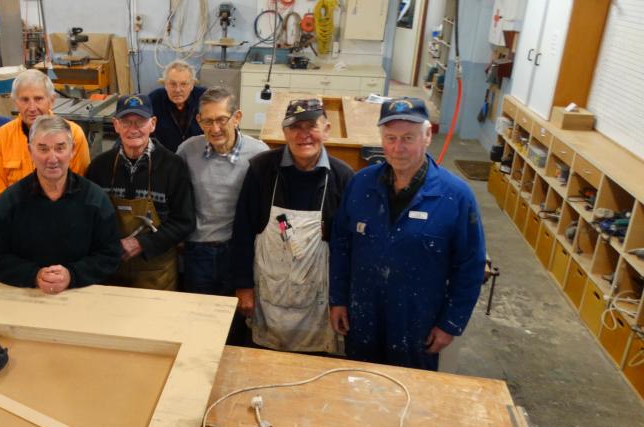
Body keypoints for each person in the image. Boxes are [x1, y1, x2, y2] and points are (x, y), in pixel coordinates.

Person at [329, 97, 486, 371]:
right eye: (390, 138)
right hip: (363, 315)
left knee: (410, 396)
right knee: (358, 386)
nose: (397, 148)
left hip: (417, 324)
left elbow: (470, 267)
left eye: (408, 138)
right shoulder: (361, 184)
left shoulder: (456, 197)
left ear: (427, 136)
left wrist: (450, 323)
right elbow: (341, 246)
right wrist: (338, 299)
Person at [230, 98, 354, 352]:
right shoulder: (261, 169)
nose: (303, 135)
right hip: (268, 298)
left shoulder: (343, 177)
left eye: (311, 126)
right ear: (284, 132)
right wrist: (243, 286)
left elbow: (347, 248)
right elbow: (242, 231)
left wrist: (340, 299)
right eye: (295, 127)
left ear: (327, 129)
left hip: (317, 304)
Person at [0, 115, 121, 293]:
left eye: (60, 148)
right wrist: (34, 275)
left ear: (72, 150)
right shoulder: (10, 202)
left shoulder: (95, 199)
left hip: (83, 295)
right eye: (43, 149)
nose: (52, 158)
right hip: (25, 295)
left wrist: (72, 275)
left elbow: (110, 255)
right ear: (30, 151)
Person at [85, 95, 195, 290]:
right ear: (115, 125)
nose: (133, 129)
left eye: (140, 122)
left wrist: (142, 243)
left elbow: (184, 222)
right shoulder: (99, 167)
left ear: (152, 124)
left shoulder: (173, 166)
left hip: (157, 272)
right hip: (110, 270)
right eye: (126, 122)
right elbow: (87, 219)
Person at [176, 86, 269, 297]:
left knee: (236, 317)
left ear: (237, 117)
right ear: (199, 121)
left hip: (239, 252)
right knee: (197, 315)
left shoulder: (260, 154)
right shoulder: (187, 151)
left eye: (221, 119)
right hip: (197, 251)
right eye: (207, 121)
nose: (215, 128)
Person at [0, 69, 90, 202]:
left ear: (51, 100)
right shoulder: (1, 137)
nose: (32, 107)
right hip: (16, 218)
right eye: (24, 100)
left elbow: (79, 186)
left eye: (38, 99)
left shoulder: (74, 134)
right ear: (15, 102)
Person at [148, 59, 206, 152]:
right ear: (165, 84)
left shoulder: (204, 97)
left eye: (183, 84)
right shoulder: (154, 99)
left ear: (192, 85)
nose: (178, 90)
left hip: (198, 155)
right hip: (166, 157)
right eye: (172, 84)